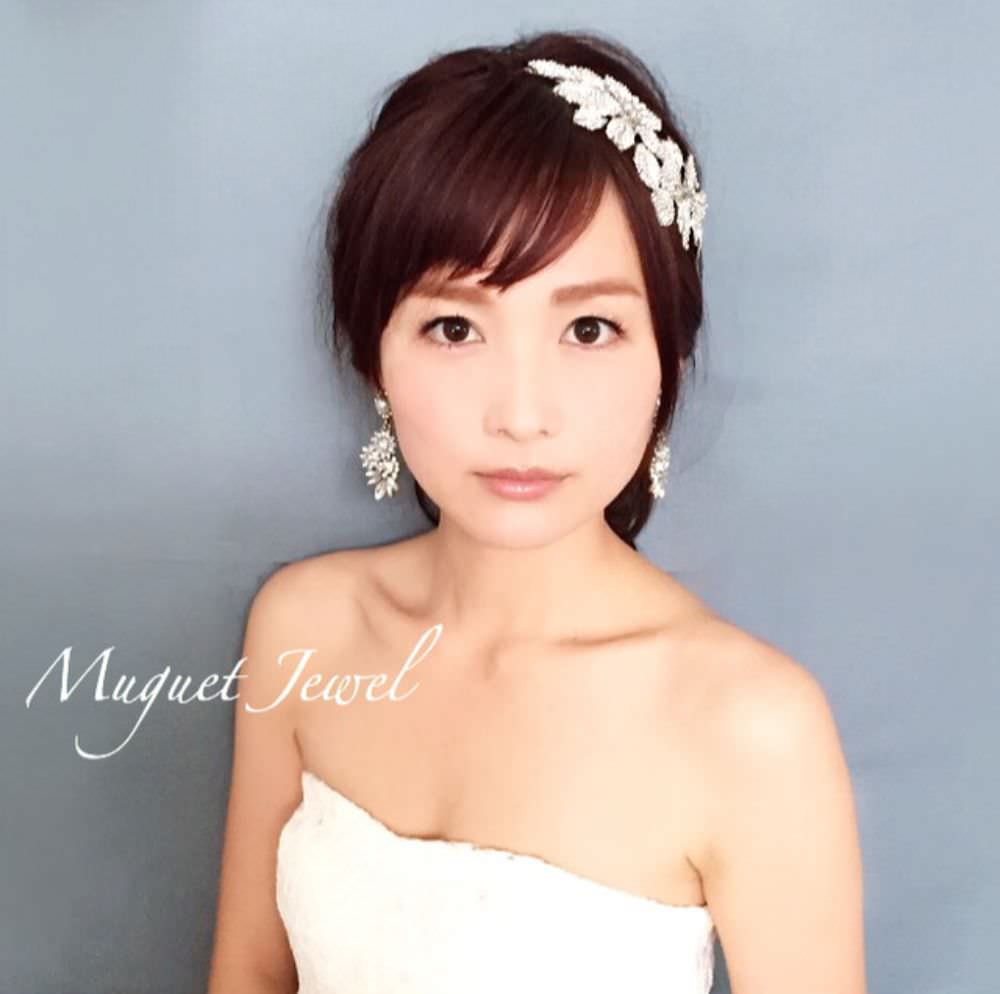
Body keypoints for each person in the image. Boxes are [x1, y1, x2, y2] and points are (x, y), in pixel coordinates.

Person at [206, 28, 867, 994]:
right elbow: (246, 976)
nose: (521, 414)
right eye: (455, 327)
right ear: (374, 354)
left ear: (667, 357)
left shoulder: (749, 724)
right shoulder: (304, 628)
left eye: (589, 328)